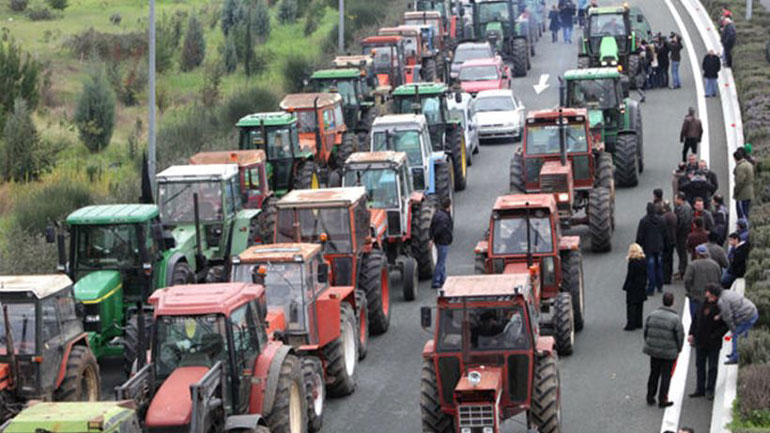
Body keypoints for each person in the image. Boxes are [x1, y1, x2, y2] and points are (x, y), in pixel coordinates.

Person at [644, 292, 684, 407]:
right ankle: (663, 399)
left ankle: (650, 396)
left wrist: (649, 343)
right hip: (669, 352)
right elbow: (680, 335)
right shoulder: (675, 319)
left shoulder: (652, 315)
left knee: (654, 373)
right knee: (666, 376)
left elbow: (646, 331)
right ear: (672, 302)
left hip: (654, 350)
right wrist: (679, 348)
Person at [705, 284, 758, 365]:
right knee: (742, 335)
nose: (709, 300)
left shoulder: (721, 301)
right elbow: (728, 308)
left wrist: (733, 330)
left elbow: (728, 318)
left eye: (710, 297)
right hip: (750, 311)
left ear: (714, 295)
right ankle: (737, 353)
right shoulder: (725, 293)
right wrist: (720, 316)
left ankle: (736, 357)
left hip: (747, 316)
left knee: (736, 336)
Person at [688, 294, 728, 400]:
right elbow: (695, 320)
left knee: (712, 367)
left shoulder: (720, 307)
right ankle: (700, 388)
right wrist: (691, 333)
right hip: (700, 341)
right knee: (700, 365)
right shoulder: (702, 305)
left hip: (713, 343)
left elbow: (725, 325)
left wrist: (715, 336)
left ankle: (710, 389)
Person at [636, 202, 670, 295]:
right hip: (659, 246)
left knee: (650, 267)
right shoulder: (661, 220)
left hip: (648, 247)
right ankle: (660, 285)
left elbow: (640, 236)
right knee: (659, 266)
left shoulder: (644, 221)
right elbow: (665, 234)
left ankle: (651, 288)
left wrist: (638, 246)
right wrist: (666, 245)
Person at [684, 244, 722, 319]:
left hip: (696, 296)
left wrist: (690, 290)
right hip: (711, 297)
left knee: (695, 318)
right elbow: (719, 279)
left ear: (697, 254)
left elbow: (687, 280)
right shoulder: (715, 265)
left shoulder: (693, 265)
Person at [623, 243, 648, 330]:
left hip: (633, 286)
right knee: (640, 305)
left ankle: (631, 324)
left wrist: (626, 285)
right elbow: (645, 273)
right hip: (641, 285)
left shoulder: (632, 262)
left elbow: (630, 275)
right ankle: (639, 322)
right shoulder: (644, 260)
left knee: (631, 306)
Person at [430, 197, 453, 289]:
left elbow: (432, 227)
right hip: (443, 241)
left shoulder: (437, 214)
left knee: (441, 261)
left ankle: (443, 279)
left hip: (438, 241)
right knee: (441, 262)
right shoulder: (444, 218)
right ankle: (436, 281)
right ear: (449, 206)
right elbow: (441, 229)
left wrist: (431, 238)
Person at [674, 192, 693, 280]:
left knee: (682, 252)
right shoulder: (687, 206)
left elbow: (681, 222)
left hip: (682, 234)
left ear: (680, 199)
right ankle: (681, 270)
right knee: (682, 252)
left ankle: (682, 271)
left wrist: (676, 230)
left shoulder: (682, 209)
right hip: (685, 232)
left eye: (676, 198)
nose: (675, 200)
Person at [733, 148, 755, 220]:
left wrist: (736, 192)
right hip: (749, 192)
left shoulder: (741, 167)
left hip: (742, 194)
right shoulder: (748, 164)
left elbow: (739, 181)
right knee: (746, 210)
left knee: (742, 212)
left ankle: (743, 228)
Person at [662, 201, 678, 284]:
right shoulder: (674, 215)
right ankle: (670, 274)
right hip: (673, 240)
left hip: (666, 241)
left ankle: (666, 278)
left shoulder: (664, 217)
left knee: (665, 260)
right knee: (670, 258)